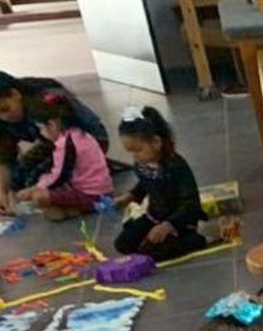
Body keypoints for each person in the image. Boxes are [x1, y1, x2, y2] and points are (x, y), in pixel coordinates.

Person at [0, 71, 109, 213]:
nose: (4, 117)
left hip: (86, 142)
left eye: (5, 109)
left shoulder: (44, 103)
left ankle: (86, 175)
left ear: (16, 94)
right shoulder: (8, 117)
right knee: (18, 177)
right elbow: (4, 157)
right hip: (55, 144)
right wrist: (3, 190)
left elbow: (72, 144)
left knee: (34, 181)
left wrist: (37, 187)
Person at [112, 105, 208, 261]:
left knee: (154, 253)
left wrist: (168, 226)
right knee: (122, 244)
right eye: (131, 152)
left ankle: (193, 239)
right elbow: (145, 185)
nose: (135, 157)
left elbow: (191, 203)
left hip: (179, 221)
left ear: (156, 142)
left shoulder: (175, 165)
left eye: (138, 150)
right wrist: (128, 197)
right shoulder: (142, 164)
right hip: (155, 216)